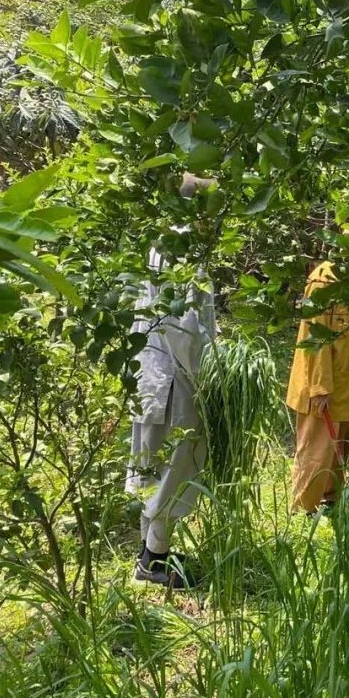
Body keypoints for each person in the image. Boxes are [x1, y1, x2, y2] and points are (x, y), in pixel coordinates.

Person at [126, 174, 218, 589]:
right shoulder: (183, 252)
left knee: (155, 460)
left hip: (151, 370)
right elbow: (188, 328)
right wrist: (211, 376)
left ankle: (152, 549)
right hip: (175, 376)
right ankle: (152, 562)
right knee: (176, 463)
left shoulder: (161, 243)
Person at [285, 226, 349, 514]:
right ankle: (303, 508)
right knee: (317, 449)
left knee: (341, 446)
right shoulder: (323, 281)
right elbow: (314, 337)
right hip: (325, 386)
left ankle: (331, 497)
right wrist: (320, 387)